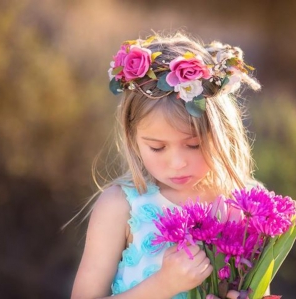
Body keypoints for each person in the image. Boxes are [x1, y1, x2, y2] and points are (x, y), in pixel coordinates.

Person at [70, 31, 262, 299]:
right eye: (157, 147)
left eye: (194, 144)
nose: (177, 163)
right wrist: (163, 285)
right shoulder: (121, 205)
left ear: (223, 132)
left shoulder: (242, 204)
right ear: (132, 138)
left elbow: (260, 288)